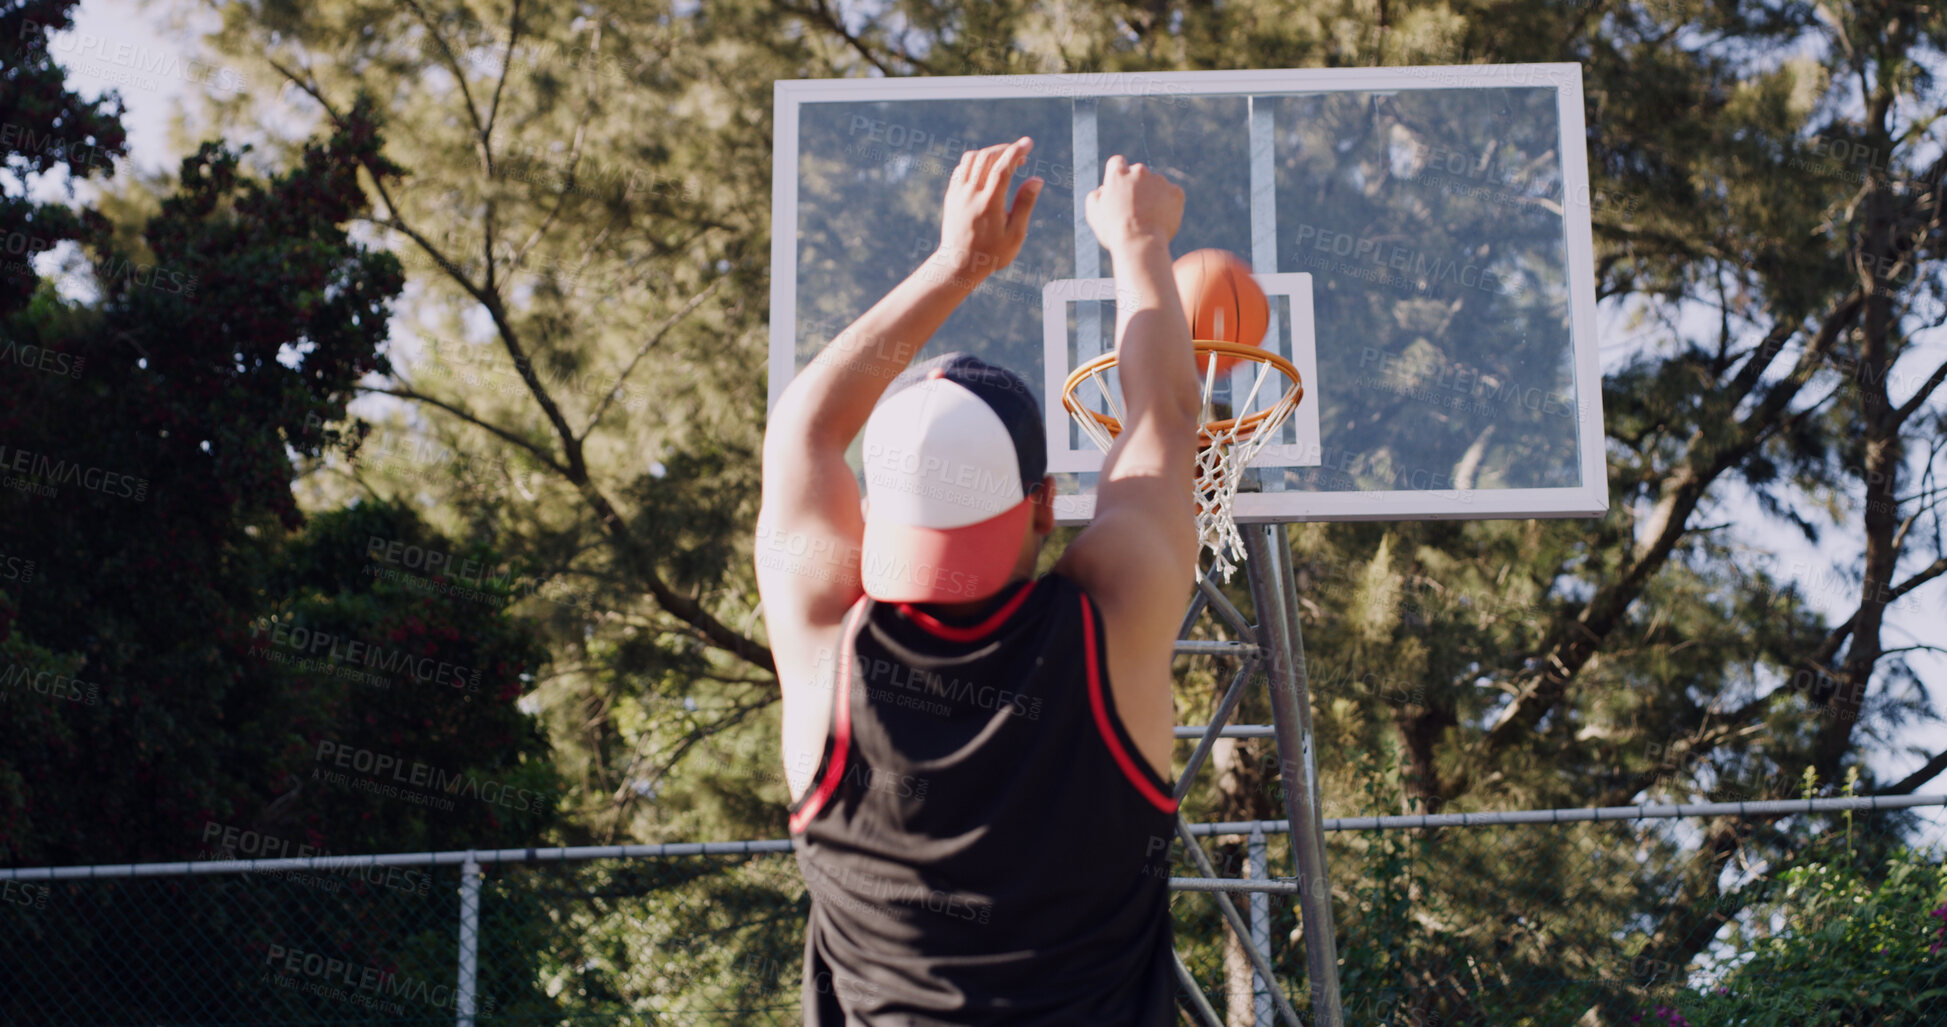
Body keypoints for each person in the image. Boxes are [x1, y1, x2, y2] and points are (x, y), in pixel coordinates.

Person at [755, 134, 1200, 1025]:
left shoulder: (822, 652)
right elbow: (1167, 411)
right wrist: (1138, 242)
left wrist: (957, 265)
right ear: (1043, 503)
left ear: (874, 514)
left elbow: (803, 430)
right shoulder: (1110, 621)